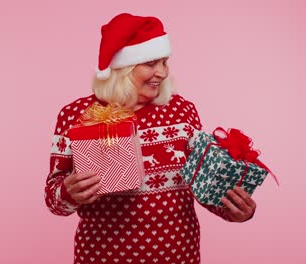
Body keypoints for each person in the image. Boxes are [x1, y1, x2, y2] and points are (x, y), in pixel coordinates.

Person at [44, 13, 256, 264]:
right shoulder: (76, 116)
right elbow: (54, 200)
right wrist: (69, 193)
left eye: (165, 62)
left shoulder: (182, 111)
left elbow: (203, 185)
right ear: (123, 68)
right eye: (151, 63)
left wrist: (233, 209)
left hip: (178, 256)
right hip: (102, 257)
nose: (162, 73)